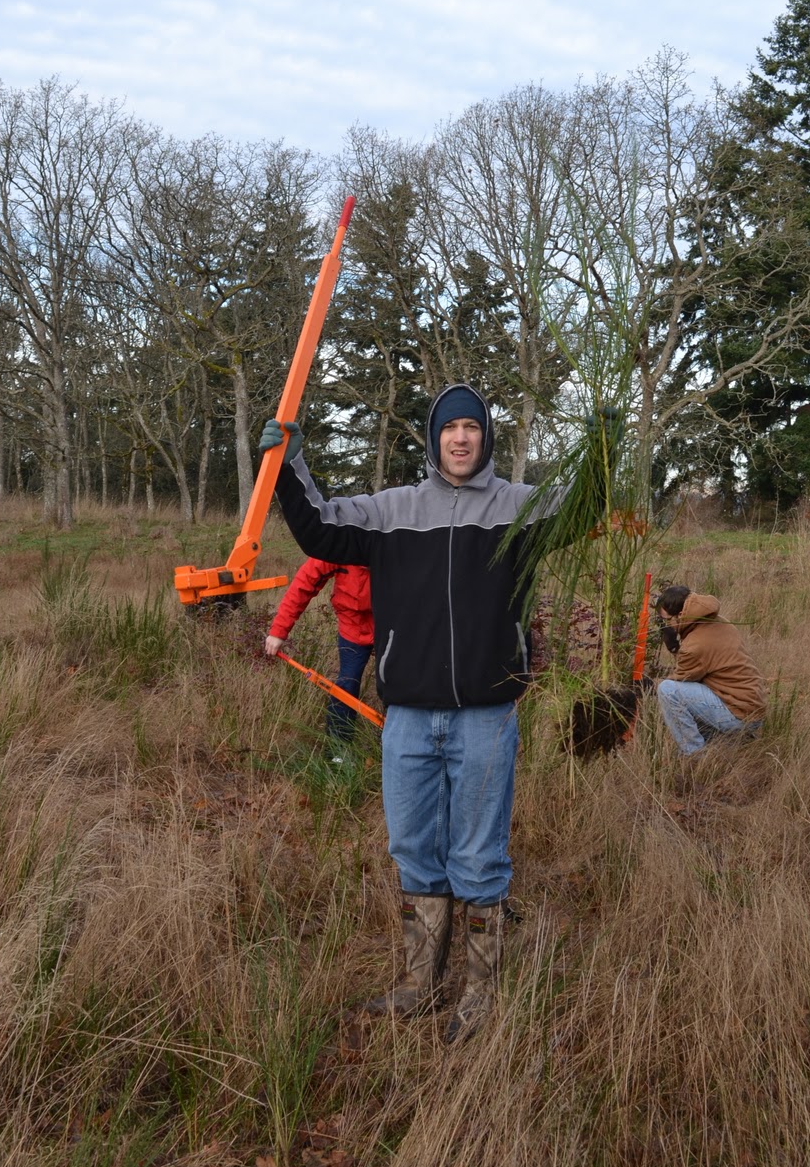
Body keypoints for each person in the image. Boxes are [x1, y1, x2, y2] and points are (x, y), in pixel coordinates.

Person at [258, 384, 616, 1042]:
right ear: (433, 438)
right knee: (413, 851)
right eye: (448, 428)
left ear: (485, 437)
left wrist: (600, 451)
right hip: (408, 721)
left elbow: (581, 511)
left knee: (478, 857)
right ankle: (420, 984)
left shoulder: (518, 507)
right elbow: (317, 526)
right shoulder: (391, 511)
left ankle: (478, 993)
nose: (460, 438)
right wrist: (287, 465)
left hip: (485, 716)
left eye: (471, 428)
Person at [264, 558, 373, 746]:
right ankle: (338, 751)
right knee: (347, 684)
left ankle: (395, 747)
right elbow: (304, 583)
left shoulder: (395, 544)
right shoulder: (340, 543)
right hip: (352, 627)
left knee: (396, 687)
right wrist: (278, 631)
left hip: (393, 626)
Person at [655, 585, 766, 754]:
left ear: (680, 615)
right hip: (752, 709)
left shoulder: (695, 645)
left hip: (739, 715)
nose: (667, 625)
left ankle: (693, 754)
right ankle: (734, 741)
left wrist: (673, 648)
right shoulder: (720, 621)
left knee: (667, 690)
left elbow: (681, 679)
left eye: (667, 620)